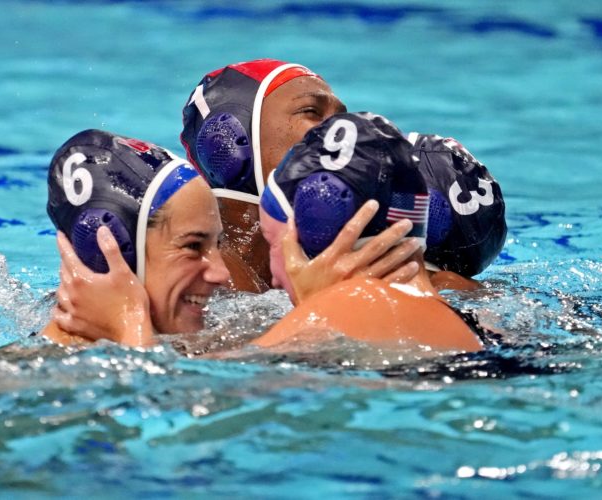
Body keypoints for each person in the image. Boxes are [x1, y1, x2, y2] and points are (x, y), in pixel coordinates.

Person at [181, 58, 506, 292]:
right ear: (228, 144)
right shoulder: (205, 281)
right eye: (312, 112)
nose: (339, 132)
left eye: (341, 119)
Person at [253, 112, 502, 351]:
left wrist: (315, 308)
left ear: (316, 234)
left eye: (272, 242)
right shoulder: (476, 325)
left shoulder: (343, 308)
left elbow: (228, 385)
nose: (274, 278)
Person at [42, 129, 230, 346]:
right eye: (193, 246)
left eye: (218, 243)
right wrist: (129, 320)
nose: (222, 274)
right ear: (106, 251)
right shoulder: (29, 374)